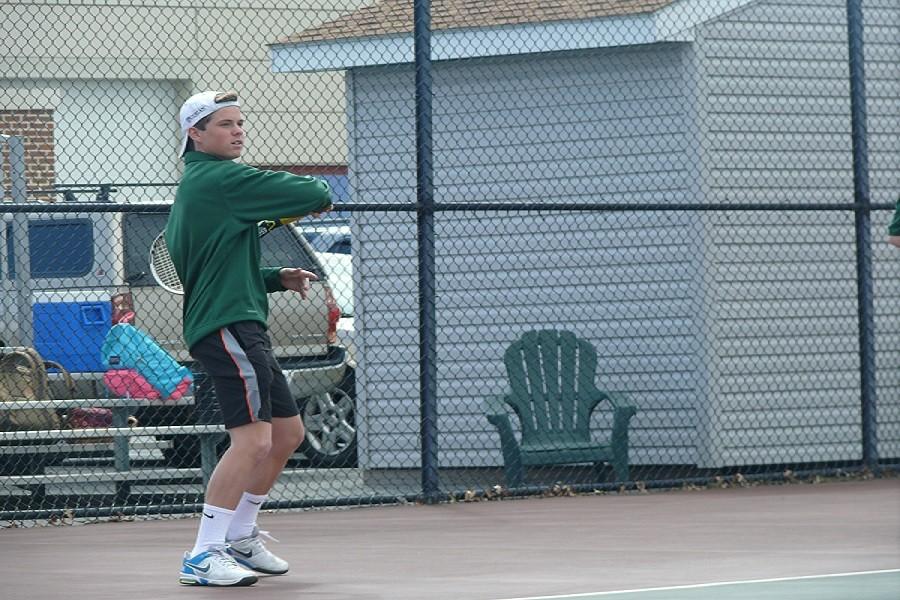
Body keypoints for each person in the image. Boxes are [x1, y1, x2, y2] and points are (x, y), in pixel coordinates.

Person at [166, 90, 332, 587]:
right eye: (224, 124)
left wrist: (272, 276)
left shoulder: (206, 188)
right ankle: (202, 554)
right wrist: (281, 209)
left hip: (241, 321)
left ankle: (239, 536)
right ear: (195, 134)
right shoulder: (220, 179)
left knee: (287, 436)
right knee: (254, 440)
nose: (237, 131)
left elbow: (214, 267)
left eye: (240, 123)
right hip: (225, 328)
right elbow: (318, 194)